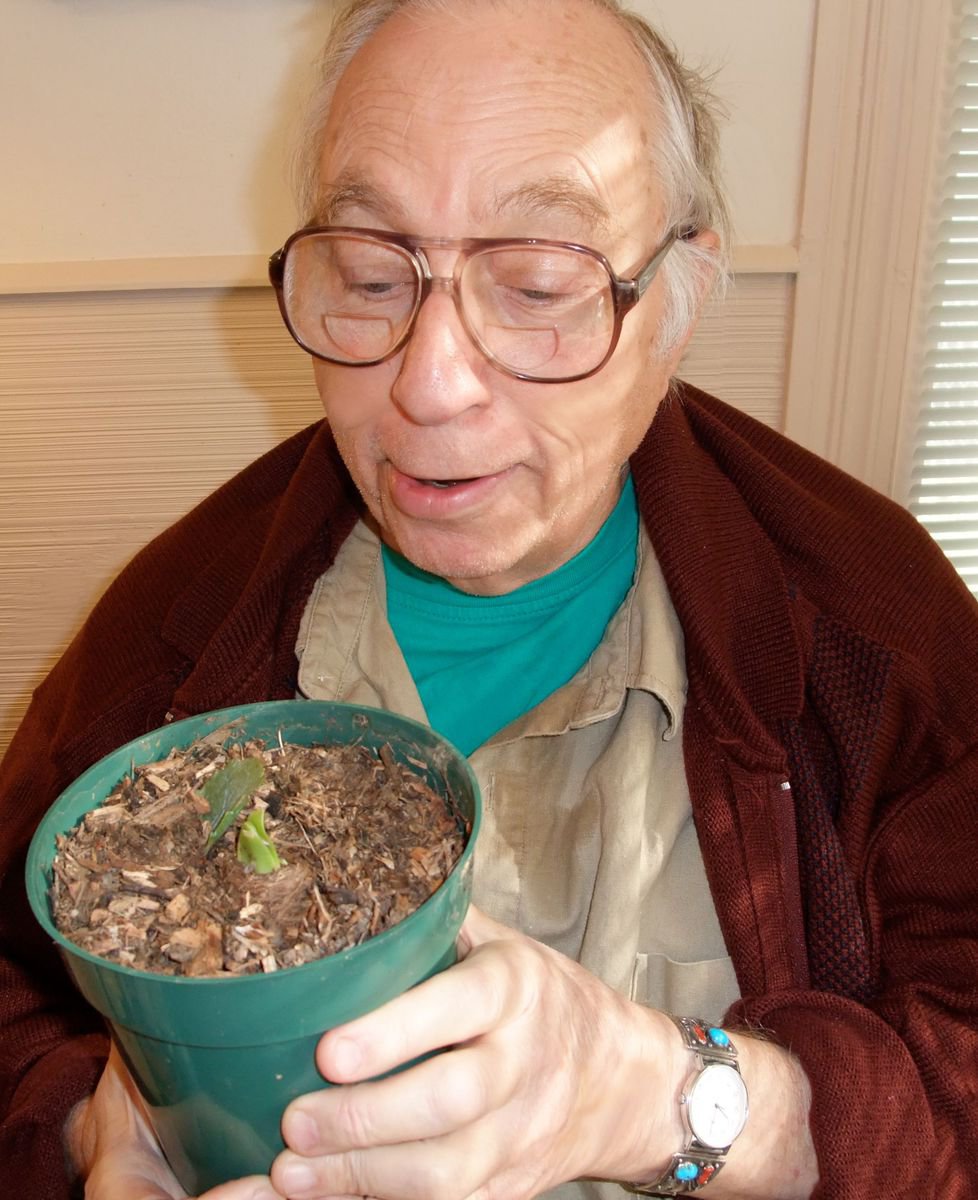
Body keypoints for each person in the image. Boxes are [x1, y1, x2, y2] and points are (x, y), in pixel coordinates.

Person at [1, 0, 976, 1197]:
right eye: (372, 275)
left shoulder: (878, 637)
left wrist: (678, 1101)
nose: (430, 384)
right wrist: (84, 1124)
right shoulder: (172, 630)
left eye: (536, 284)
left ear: (675, 302)